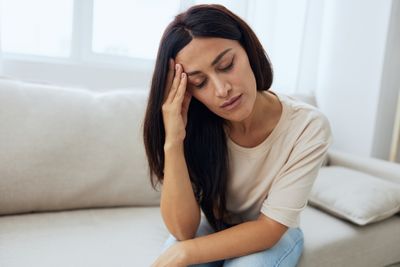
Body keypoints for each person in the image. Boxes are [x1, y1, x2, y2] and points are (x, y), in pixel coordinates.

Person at [143, 4, 332, 267]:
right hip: (214, 226)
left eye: (227, 65)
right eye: (200, 83)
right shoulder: (196, 125)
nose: (222, 90)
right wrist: (173, 139)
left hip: (275, 234)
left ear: (248, 51)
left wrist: (185, 253)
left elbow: (269, 229)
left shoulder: (308, 125)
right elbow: (182, 231)